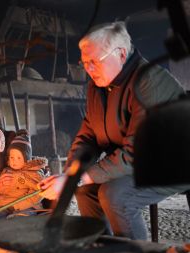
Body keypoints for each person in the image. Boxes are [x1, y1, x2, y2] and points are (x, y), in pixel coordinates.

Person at [39, 21, 190, 240]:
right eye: (85, 63)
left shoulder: (148, 81)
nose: (88, 70)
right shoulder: (97, 85)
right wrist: (71, 175)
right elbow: (88, 135)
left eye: (94, 62)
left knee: (115, 195)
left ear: (120, 54)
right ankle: (106, 250)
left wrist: (82, 177)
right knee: (84, 191)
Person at [0, 129, 47, 218]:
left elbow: (38, 193)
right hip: (6, 206)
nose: (14, 161)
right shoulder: (6, 171)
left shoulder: (33, 173)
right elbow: (1, 190)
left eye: (19, 158)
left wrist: (17, 205)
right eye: (12, 157)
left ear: (26, 159)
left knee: (19, 219)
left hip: (26, 207)